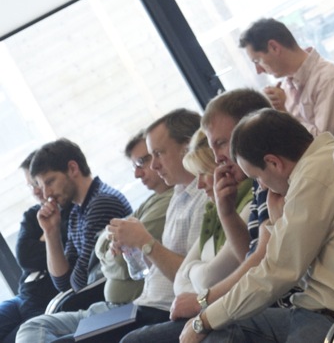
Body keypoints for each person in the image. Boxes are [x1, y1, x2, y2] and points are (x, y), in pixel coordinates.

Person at [179, 110, 334, 343]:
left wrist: (203, 320)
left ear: (274, 163)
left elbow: (276, 273)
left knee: (211, 331)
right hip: (316, 309)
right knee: (218, 332)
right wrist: (277, 221)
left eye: (257, 176)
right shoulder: (322, 159)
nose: (261, 186)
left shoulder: (314, 176)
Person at [21, 112, 206, 343]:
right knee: (29, 327)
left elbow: (82, 280)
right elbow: (64, 280)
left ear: (187, 148)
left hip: (144, 308)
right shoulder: (177, 195)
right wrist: (51, 233)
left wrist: (140, 243)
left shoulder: (104, 203)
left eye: (153, 156)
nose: (45, 193)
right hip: (137, 305)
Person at [119, 131, 256, 343]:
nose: (199, 185)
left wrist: (194, 274)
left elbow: (208, 278)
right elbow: (181, 283)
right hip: (194, 306)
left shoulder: (246, 206)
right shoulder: (211, 208)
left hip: (223, 309)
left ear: (226, 169)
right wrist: (196, 274)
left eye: (203, 173)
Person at [28, 139, 131, 295]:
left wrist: (72, 277)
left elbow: (81, 283)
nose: (46, 193)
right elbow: (63, 283)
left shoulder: (101, 204)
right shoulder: (76, 211)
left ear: (72, 169)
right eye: (42, 187)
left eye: (50, 182)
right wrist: (50, 232)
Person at [93, 133, 174, 309]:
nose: (137, 174)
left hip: (138, 309)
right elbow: (104, 238)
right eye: (134, 167)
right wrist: (110, 249)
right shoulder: (153, 199)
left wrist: (104, 260)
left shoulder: (169, 200)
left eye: (141, 162)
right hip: (117, 308)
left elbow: (124, 263)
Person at [238, 18, 334, 138]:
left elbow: (326, 142)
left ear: (274, 47)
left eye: (257, 61)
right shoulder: (285, 88)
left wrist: (282, 114)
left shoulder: (330, 79)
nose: (258, 70)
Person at [198, 89, 273, 263]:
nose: (217, 159)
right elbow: (250, 258)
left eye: (221, 143)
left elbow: (264, 267)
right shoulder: (259, 185)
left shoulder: (278, 183)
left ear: (252, 131)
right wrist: (227, 213)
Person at [0, 155, 65, 343]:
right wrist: (50, 237)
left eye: (37, 183)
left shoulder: (68, 213)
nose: (36, 191)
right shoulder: (32, 215)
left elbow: (62, 255)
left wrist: (46, 236)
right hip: (23, 297)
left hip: (46, 300)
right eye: (30, 186)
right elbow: (25, 257)